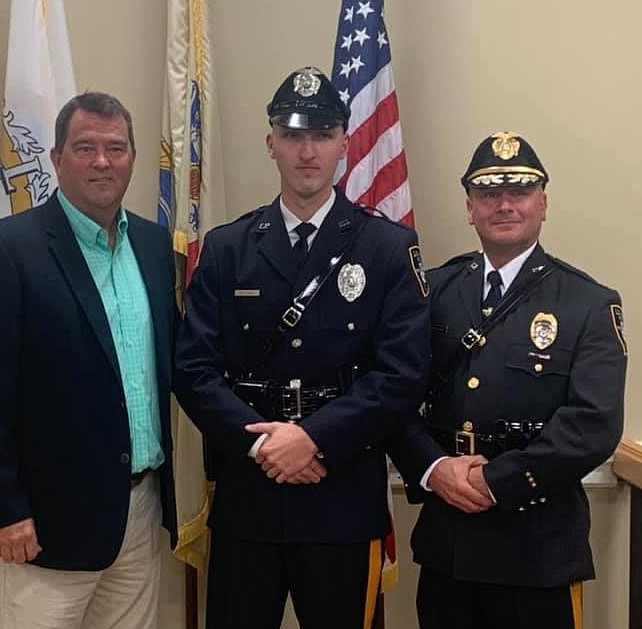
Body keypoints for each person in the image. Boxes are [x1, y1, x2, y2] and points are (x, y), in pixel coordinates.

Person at [175, 66, 430, 629]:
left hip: (340, 494)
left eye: (321, 134)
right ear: (272, 144)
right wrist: (267, 449)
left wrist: (313, 439)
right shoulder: (228, 247)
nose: (307, 151)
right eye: (293, 135)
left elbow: (402, 372)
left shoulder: (387, 247)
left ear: (345, 142)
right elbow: (194, 369)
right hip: (249, 497)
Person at [0, 92, 178, 629]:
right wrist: (2, 510)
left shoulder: (152, 244)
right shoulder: (5, 249)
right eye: (85, 148)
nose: (103, 161)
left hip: (138, 514)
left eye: (116, 148)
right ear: (55, 158)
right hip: (41, 528)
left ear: (133, 157)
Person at [389, 131, 627, 629]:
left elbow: (593, 424)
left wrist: (494, 482)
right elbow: (393, 395)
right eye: (488, 193)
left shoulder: (588, 302)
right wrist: (434, 469)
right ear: (470, 208)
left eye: (518, 191)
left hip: (535, 545)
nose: (504, 204)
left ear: (543, 203)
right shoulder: (432, 292)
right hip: (447, 542)